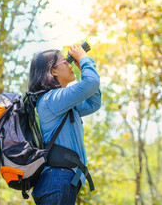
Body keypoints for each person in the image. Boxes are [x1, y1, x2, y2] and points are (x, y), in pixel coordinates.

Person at [28, 44, 101, 205]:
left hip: (60, 180)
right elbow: (92, 82)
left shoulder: (62, 102)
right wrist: (84, 59)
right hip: (57, 179)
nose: (70, 65)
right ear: (53, 71)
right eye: (65, 62)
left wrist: (83, 68)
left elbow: (93, 103)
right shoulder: (52, 99)